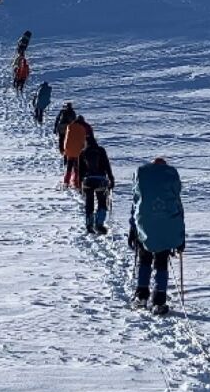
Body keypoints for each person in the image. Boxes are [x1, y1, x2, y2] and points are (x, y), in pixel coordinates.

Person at [128, 158, 186, 315]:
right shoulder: (171, 177)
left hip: (144, 225)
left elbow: (135, 205)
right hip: (167, 226)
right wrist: (181, 236)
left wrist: (132, 229)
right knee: (161, 262)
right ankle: (159, 300)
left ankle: (141, 295)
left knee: (144, 259)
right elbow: (178, 208)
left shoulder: (142, 176)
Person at [77, 129, 114, 234]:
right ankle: (99, 223)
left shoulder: (83, 152)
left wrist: (80, 183)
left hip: (88, 181)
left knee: (89, 203)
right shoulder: (101, 150)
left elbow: (80, 171)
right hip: (101, 180)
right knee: (102, 202)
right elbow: (107, 165)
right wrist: (111, 178)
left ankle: (89, 224)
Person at [60, 114, 91, 189]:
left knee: (69, 167)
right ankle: (76, 183)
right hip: (79, 152)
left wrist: (65, 150)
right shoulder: (84, 127)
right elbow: (87, 139)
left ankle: (66, 182)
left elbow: (66, 139)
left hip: (70, 151)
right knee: (78, 168)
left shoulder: (70, 126)